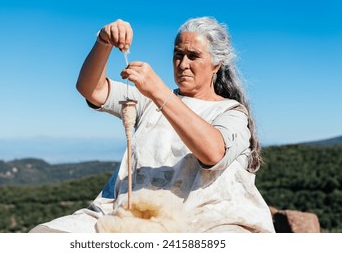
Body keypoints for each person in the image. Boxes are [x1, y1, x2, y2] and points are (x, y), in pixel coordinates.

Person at [29, 17, 275, 233]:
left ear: (216, 64)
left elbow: (213, 153)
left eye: (194, 56)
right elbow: (91, 89)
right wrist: (103, 42)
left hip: (207, 223)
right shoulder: (149, 102)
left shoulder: (232, 113)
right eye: (178, 55)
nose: (183, 64)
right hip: (129, 216)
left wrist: (160, 93)